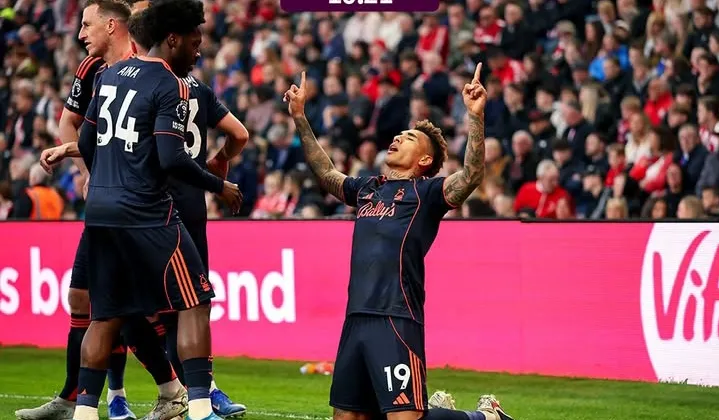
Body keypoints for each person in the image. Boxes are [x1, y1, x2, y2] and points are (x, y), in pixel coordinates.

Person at [38, 0, 242, 419]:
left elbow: (90, 143)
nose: (198, 51)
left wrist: (93, 167)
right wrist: (218, 185)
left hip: (100, 211)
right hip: (147, 211)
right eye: (195, 42)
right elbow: (171, 157)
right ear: (173, 39)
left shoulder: (108, 76)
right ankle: (200, 405)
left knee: (105, 314)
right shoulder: (172, 84)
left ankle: (85, 412)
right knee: (195, 300)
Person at [284, 65, 515, 420]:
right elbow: (327, 173)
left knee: (406, 418)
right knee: (349, 417)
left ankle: (485, 417)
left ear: (424, 160)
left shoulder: (427, 194)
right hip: (356, 317)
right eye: (399, 134)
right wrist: (300, 118)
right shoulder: (367, 188)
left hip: (396, 316)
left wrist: (475, 117)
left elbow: (471, 175)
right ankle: (439, 409)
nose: (397, 138)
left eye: (408, 138)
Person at [15, 1, 140, 419]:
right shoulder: (91, 69)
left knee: (128, 306)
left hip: (135, 201)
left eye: (87, 25)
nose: (80, 34)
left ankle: (175, 390)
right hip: (103, 196)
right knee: (83, 296)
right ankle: (76, 399)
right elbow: (71, 124)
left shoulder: (148, 64)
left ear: (112, 25)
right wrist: (87, 169)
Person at [127, 5, 250, 418]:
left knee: (143, 308)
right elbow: (239, 134)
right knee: (193, 303)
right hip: (193, 202)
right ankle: (204, 391)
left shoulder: (142, 82)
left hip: (153, 203)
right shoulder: (196, 87)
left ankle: (175, 394)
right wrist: (218, 162)